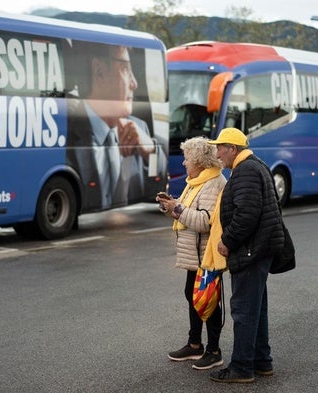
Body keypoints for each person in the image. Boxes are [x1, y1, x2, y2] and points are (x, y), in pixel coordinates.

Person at [206, 128, 284, 383]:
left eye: (221, 147)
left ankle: (241, 368)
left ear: (233, 149)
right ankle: (262, 361)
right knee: (256, 309)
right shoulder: (254, 165)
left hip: (250, 250)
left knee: (244, 311)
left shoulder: (246, 170)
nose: (217, 152)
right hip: (259, 249)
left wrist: (227, 241)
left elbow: (247, 213)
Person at [67, 43, 167, 210]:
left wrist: (150, 151)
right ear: (99, 72)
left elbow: (157, 183)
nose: (134, 83)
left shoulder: (139, 128)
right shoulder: (67, 130)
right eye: (126, 69)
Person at [156, 137, 227, 370]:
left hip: (206, 254)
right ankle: (195, 345)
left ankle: (214, 351)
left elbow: (205, 221)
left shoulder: (213, 183)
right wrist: (171, 205)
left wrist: (176, 208)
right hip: (194, 254)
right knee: (193, 295)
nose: (184, 163)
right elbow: (185, 211)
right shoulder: (197, 181)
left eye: (187, 159)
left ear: (199, 161)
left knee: (208, 301)